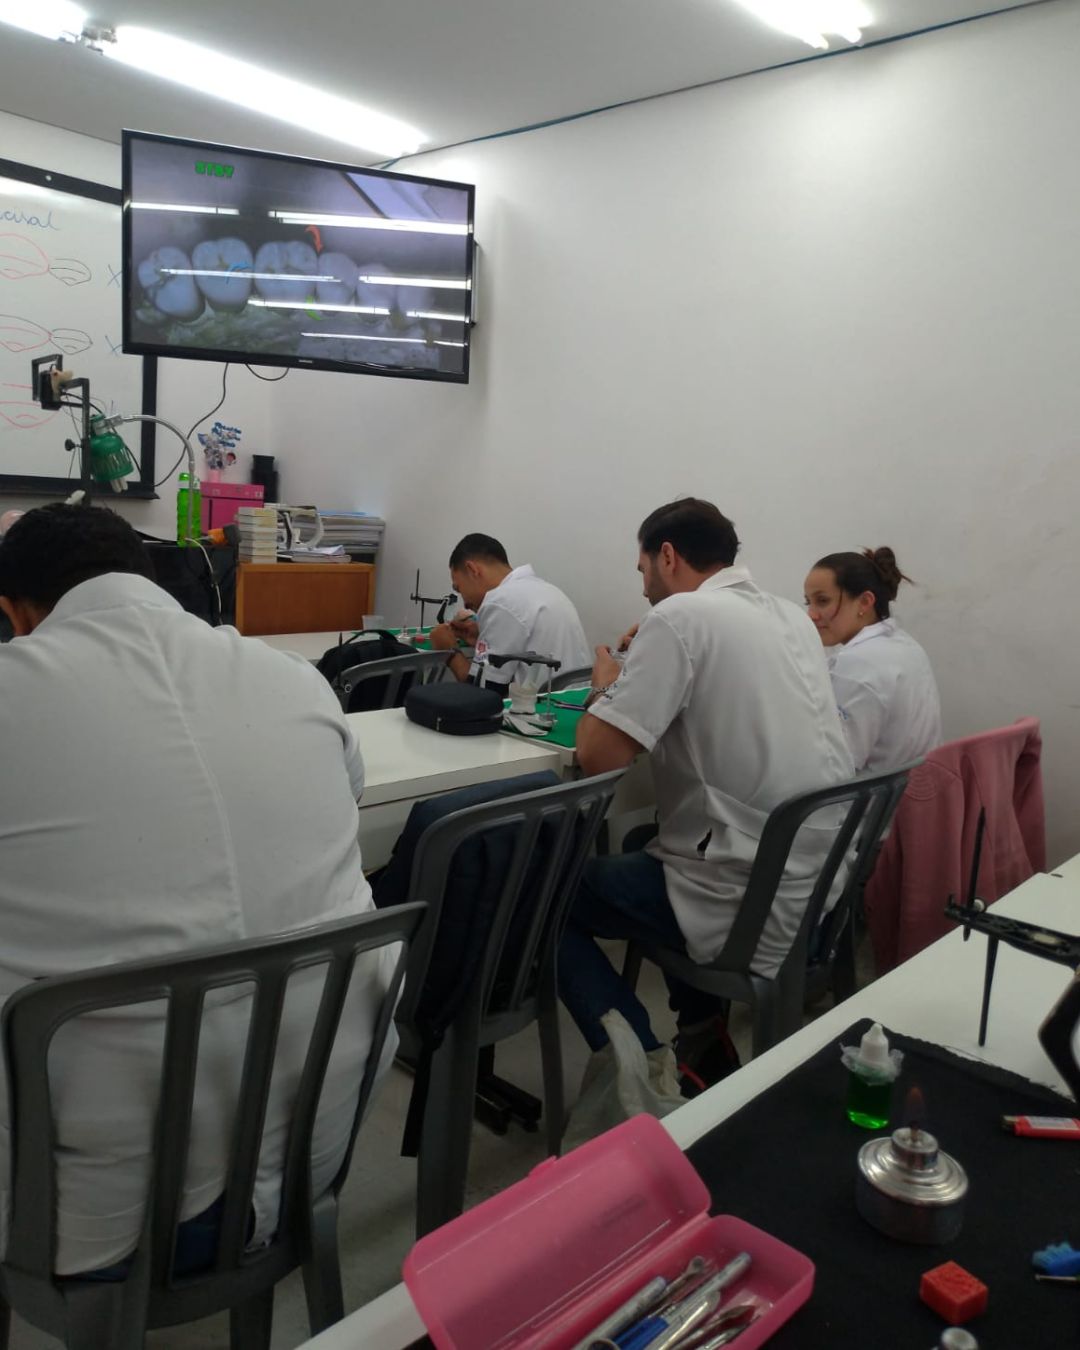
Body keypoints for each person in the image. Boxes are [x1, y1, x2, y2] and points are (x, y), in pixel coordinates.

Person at [0, 503, 398, 1277]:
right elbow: (345, 797)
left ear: (16, 613)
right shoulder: (292, 679)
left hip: (91, 1214)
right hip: (315, 1148)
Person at [558, 498, 854, 1094]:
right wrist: (656, 653)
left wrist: (606, 686)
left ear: (667, 556)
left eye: (643, 570)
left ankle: (646, 1073)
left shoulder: (680, 617)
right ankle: (701, 1037)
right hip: (818, 882)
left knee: (544, 895)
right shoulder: (788, 616)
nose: (644, 588)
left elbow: (598, 755)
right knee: (646, 842)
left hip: (746, 896)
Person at [803, 547, 942, 773]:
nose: (811, 614)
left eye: (822, 601)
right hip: (921, 788)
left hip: (879, 795)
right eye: (808, 602)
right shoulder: (905, 644)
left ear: (865, 602)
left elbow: (834, 766)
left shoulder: (856, 665)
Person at [428, 532, 591, 687]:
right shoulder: (547, 590)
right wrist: (481, 637)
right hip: (575, 699)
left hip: (538, 703)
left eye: (459, 588)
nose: (464, 603)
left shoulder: (499, 601)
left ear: (472, 570)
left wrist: (449, 650)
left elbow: (481, 692)